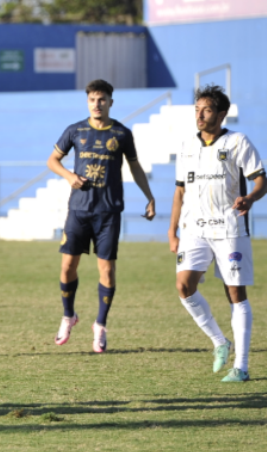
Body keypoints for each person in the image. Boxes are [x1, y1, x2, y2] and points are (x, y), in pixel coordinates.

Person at [48, 79, 156, 353]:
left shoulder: (121, 134)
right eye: (93, 100)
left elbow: (135, 167)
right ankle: (68, 316)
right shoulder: (75, 131)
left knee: (106, 270)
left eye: (102, 99)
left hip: (108, 213)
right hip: (79, 210)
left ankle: (100, 325)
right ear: (88, 102)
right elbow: (52, 161)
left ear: (110, 102)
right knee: (67, 267)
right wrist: (70, 176)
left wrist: (149, 196)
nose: (97, 104)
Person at [169, 85, 265, 382]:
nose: (199, 115)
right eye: (197, 109)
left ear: (221, 114)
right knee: (184, 286)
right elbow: (180, 191)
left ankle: (242, 366)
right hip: (193, 228)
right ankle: (220, 341)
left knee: (235, 294)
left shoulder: (238, 142)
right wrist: (172, 231)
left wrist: (249, 198)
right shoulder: (186, 145)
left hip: (229, 227)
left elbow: (261, 180)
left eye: (206, 110)